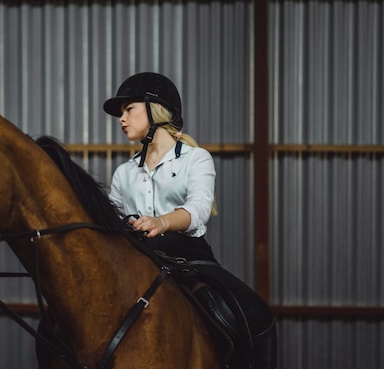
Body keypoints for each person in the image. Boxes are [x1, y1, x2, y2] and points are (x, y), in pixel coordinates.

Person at [104, 72, 277, 369]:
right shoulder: (123, 173)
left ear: (155, 109)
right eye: (121, 113)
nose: (122, 119)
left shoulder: (196, 159)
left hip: (187, 257)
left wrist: (161, 223)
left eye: (129, 110)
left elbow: (198, 209)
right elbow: (109, 219)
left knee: (254, 313)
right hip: (136, 258)